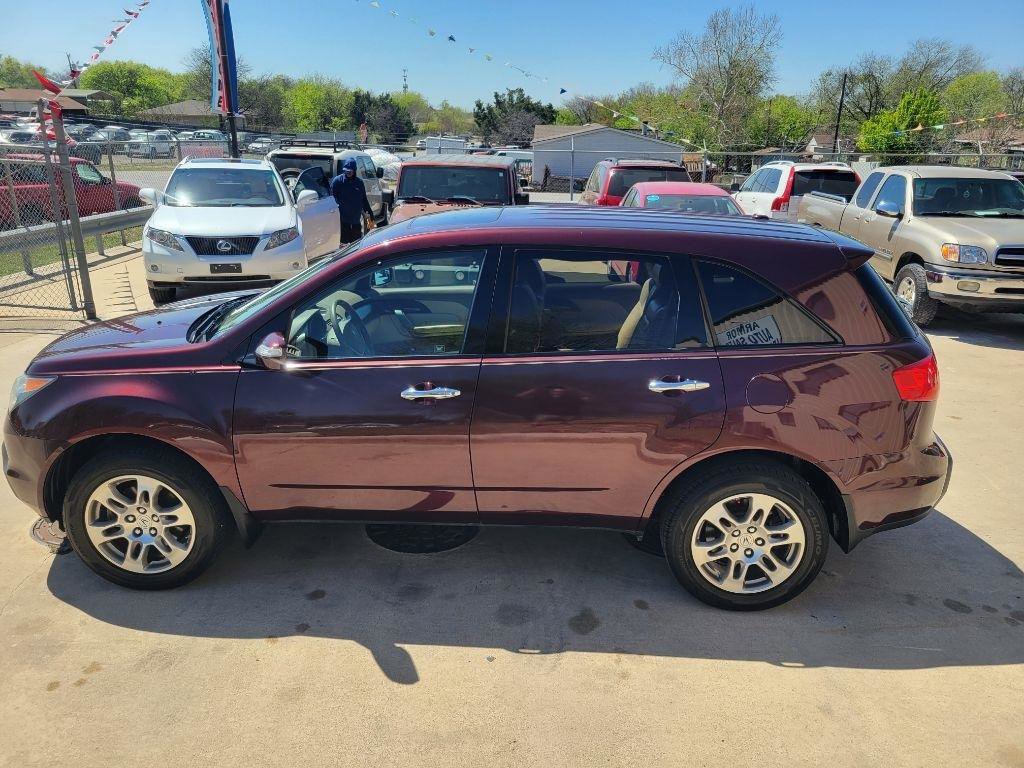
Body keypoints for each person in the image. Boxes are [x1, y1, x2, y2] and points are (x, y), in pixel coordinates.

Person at [330, 157, 375, 244]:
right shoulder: (338, 181)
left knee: (356, 245)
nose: (348, 172)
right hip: (342, 221)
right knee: (343, 246)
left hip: (356, 221)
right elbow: (332, 198)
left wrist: (371, 218)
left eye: (350, 171)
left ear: (354, 170)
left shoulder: (359, 183)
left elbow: (364, 200)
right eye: (346, 171)